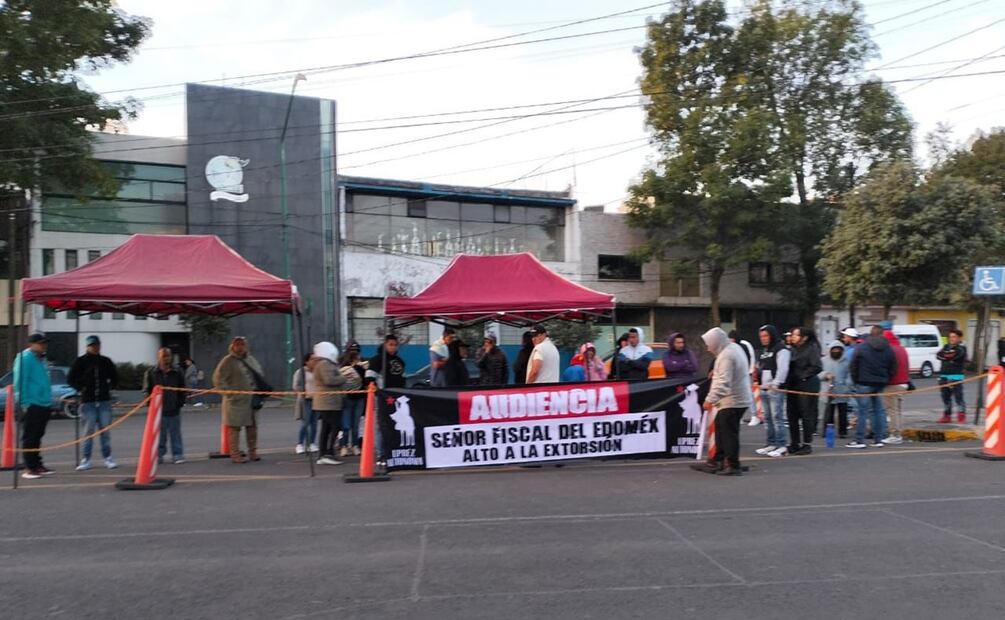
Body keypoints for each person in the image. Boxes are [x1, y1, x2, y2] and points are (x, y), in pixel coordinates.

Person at [691, 327, 752, 476]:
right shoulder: (732, 348)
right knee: (721, 428)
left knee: (728, 432)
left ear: (716, 343)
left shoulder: (726, 356)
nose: (707, 348)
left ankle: (732, 465)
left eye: (708, 344)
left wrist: (709, 400)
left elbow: (723, 382)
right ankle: (718, 460)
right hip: (736, 398)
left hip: (733, 400)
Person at [67, 335, 119, 471]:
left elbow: (115, 376)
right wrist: (81, 387)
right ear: (87, 347)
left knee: (105, 431)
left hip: (103, 401)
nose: (94, 347)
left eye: (96, 345)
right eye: (92, 345)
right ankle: (86, 459)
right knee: (88, 432)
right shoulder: (81, 361)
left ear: (100, 346)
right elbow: (71, 378)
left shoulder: (106, 361)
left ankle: (108, 457)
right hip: (88, 401)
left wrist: (110, 386)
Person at [213, 336, 267, 464]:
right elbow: (218, 380)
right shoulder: (227, 361)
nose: (240, 347)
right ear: (232, 346)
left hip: (252, 400)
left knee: (252, 428)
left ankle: (252, 452)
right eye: (237, 344)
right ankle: (235, 454)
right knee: (234, 429)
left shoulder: (251, 359)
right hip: (235, 402)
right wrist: (230, 394)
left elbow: (259, 374)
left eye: (242, 344)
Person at [847, 326, 897, 449]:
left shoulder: (862, 347)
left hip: (863, 381)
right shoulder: (888, 348)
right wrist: (886, 379)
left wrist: (856, 380)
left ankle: (860, 440)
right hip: (880, 382)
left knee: (863, 411)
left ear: (871, 334)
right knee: (878, 411)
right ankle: (878, 439)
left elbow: (853, 365)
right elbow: (893, 366)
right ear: (882, 334)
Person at [14, 333, 54, 479]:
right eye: (41, 343)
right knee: (30, 436)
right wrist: (24, 402)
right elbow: (20, 382)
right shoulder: (25, 359)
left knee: (38, 435)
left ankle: (37, 464)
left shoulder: (41, 359)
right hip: (31, 403)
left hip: (43, 402)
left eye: (45, 343)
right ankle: (29, 468)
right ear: (31, 344)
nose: (44, 346)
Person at [143, 347, 187, 464]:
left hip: (174, 408)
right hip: (158, 411)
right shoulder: (151, 372)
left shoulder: (177, 371)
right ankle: (158, 455)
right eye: (164, 356)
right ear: (159, 357)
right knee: (159, 435)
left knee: (175, 434)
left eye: (168, 356)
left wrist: (180, 402)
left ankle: (177, 455)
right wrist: (150, 405)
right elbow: (147, 390)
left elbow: (183, 388)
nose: (166, 359)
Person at [754, 325, 790, 458]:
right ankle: (771, 442)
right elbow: (762, 368)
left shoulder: (781, 349)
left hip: (775, 388)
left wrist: (776, 383)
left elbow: (783, 369)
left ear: (772, 335)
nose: (763, 339)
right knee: (768, 418)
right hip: (764, 387)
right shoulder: (765, 351)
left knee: (777, 417)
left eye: (766, 336)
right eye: (761, 336)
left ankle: (782, 445)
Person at [785, 327, 823, 456]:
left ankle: (807, 444)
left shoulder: (811, 348)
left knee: (806, 415)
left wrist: (803, 376)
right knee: (792, 415)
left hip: (807, 385)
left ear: (804, 337)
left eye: (796, 335)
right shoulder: (791, 349)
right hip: (792, 385)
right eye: (793, 335)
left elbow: (817, 366)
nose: (793, 337)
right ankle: (794, 443)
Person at [311, 341, 346, 465]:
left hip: (326, 402)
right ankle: (328, 453)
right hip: (329, 402)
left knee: (326, 428)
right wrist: (343, 377)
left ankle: (323, 453)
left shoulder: (321, 363)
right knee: (334, 427)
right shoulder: (324, 364)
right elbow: (329, 380)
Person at [338, 343, 366, 458]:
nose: (355, 354)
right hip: (347, 398)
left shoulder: (362, 366)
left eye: (356, 351)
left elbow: (365, 380)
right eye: (352, 351)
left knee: (356, 424)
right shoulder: (343, 365)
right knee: (346, 424)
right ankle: (344, 446)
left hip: (359, 398)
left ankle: (355, 445)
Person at [882, 330, 910, 444]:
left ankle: (895, 434)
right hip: (903, 383)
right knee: (897, 410)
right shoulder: (902, 348)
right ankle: (898, 433)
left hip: (893, 384)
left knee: (891, 411)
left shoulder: (889, 350)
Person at [820, 340, 851, 438]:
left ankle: (842, 432)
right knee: (828, 413)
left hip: (843, 390)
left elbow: (850, 375)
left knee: (843, 413)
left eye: (838, 349)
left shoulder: (846, 361)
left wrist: (847, 385)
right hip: (828, 390)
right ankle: (827, 431)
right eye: (834, 349)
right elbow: (817, 372)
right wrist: (825, 375)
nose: (836, 351)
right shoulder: (823, 360)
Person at [936, 329, 967, 423]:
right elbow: (938, 355)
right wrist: (948, 357)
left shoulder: (961, 348)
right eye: (950, 337)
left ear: (959, 338)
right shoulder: (946, 346)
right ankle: (947, 415)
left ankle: (961, 415)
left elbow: (956, 356)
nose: (951, 339)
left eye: (954, 337)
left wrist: (946, 357)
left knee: (958, 396)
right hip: (944, 375)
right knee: (945, 397)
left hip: (956, 376)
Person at [292, 353, 317, 455]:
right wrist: (303, 392)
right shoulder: (300, 372)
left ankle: (312, 443)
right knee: (305, 423)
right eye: (312, 359)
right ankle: (300, 444)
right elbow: (295, 385)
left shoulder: (316, 371)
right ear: (306, 361)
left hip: (316, 400)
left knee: (314, 424)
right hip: (305, 400)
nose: (314, 361)